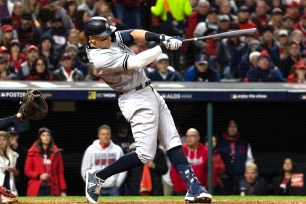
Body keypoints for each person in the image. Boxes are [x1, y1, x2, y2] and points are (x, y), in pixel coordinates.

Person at [83, 16, 212, 203]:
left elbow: (133, 34)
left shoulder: (107, 39)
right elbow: (138, 62)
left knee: (173, 141)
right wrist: (163, 47)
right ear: (92, 40)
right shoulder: (100, 59)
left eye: (109, 34)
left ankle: (194, 187)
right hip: (134, 98)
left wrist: (161, 37)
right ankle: (98, 176)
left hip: (149, 91)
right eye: (104, 37)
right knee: (145, 154)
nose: (110, 38)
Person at [81, 125, 127, 196]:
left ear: (110, 135)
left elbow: (123, 168)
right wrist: (92, 185)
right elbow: (85, 169)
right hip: (95, 188)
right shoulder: (90, 149)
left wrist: (117, 184)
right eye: (103, 134)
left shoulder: (117, 149)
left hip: (113, 188)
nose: (105, 136)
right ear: (98, 135)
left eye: (107, 134)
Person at [24, 127, 67, 196]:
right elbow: (27, 171)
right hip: (38, 188)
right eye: (43, 135)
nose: (46, 137)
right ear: (40, 138)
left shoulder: (56, 153)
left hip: (53, 187)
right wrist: (39, 175)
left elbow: (60, 172)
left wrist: (63, 190)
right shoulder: (32, 152)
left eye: (48, 135)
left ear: (51, 137)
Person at [217, 120, 254, 195]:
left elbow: (249, 160)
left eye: (234, 126)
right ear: (227, 128)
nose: (232, 129)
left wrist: (248, 173)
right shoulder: (219, 142)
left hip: (240, 176)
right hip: (224, 178)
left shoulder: (244, 142)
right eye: (230, 126)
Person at [170, 128, 208, 195]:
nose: (189, 138)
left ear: (198, 137)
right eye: (187, 136)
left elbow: (210, 171)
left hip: (202, 189)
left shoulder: (206, 152)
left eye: (192, 136)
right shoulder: (179, 152)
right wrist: (178, 189)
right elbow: (173, 172)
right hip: (183, 191)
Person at [0, 131, 19, 196]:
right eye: (0, 139)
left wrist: (14, 170)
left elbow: (17, 173)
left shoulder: (14, 155)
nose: (1, 142)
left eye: (4, 139)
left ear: (7, 141)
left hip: (10, 187)